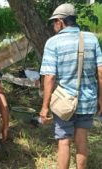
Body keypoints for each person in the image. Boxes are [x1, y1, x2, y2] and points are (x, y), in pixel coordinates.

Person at [39, 3, 102, 169]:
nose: (53, 26)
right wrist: (101, 98)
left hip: (64, 102)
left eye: (54, 22)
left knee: (64, 141)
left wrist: (45, 106)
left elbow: (50, 77)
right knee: (82, 140)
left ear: (61, 21)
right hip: (88, 99)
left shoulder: (53, 43)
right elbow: (101, 72)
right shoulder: (92, 38)